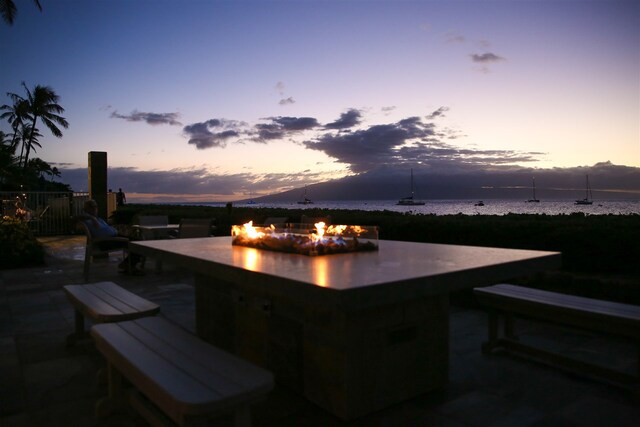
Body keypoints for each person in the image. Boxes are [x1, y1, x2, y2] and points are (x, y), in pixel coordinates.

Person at [78, 199, 143, 274]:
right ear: (86, 209)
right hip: (107, 241)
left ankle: (128, 264)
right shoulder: (87, 219)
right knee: (137, 244)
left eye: (96, 206)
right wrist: (92, 218)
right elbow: (75, 218)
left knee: (138, 241)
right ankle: (128, 265)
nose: (95, 208)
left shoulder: (96, 218)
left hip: (113, 238)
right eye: (92, 206)